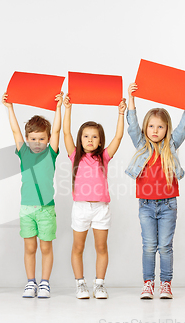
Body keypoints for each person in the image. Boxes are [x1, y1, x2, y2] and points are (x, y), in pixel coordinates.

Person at [125, 83, 185, 299]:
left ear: (166, 129)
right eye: (151, 127)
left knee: (165, 246)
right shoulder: (141, 144)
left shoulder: (171, 145)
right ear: (146, 128)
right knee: (148, 246)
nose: (155, 131)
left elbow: (184, 126)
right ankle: (148, 284)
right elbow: (132, 125)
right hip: (146, 204)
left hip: (168, 204)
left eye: (160, 127)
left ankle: (165, 284)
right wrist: (131, 98)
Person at [63, 93, 127, 299]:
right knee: (78, 247)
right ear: (80, 139)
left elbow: (118, 137)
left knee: (101, 247)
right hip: (81, 208)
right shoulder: (75, 155)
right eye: (85, 136)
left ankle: (99, 284)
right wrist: (68, 109)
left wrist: (120, 113)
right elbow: (65, 133)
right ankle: (80, 284)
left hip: (101, 208)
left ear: (100, 142)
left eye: (94, 137)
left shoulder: (104, 157)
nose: (89, 140)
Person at [2, 92, 62, 299]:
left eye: (42, 139)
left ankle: (45, 283)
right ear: (27, 139)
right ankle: (31, 282)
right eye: (33, 139)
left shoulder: (50, 153)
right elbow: (15, 130)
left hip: (46, 209)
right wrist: (10, 108)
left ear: (48, 140)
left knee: (46, 247)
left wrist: (58, 107)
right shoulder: (24, 152)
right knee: (29, 247)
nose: (37, 142)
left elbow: (57, 129)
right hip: (26, 209)